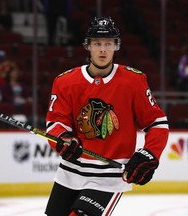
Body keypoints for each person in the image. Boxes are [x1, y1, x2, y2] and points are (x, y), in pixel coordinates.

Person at [44, 17, 169, 216]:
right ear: (88, 46)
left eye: (108, 43)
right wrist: (63, 139)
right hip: (70, 172)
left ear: (115, 46)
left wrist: (150, 153)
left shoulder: (133, 81)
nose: (103, 49)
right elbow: (56, 121)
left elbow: (157, 123)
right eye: (97, 43)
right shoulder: (65, 81)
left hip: (110, 176)